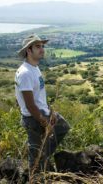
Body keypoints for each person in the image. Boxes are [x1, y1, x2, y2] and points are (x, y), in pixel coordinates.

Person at [15, 34, 70, 173]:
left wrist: (51, 112)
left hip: (43, 112)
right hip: (34, 119)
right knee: (36, 161)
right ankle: (35, 173)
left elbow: (40, 94)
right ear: (28, 50)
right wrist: (46, 124)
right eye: (37, 46)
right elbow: (30, 105)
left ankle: (43, 156)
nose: (42, 49)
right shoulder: (25, 73)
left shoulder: (35, 68)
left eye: (42, 46)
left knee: (63, 127)